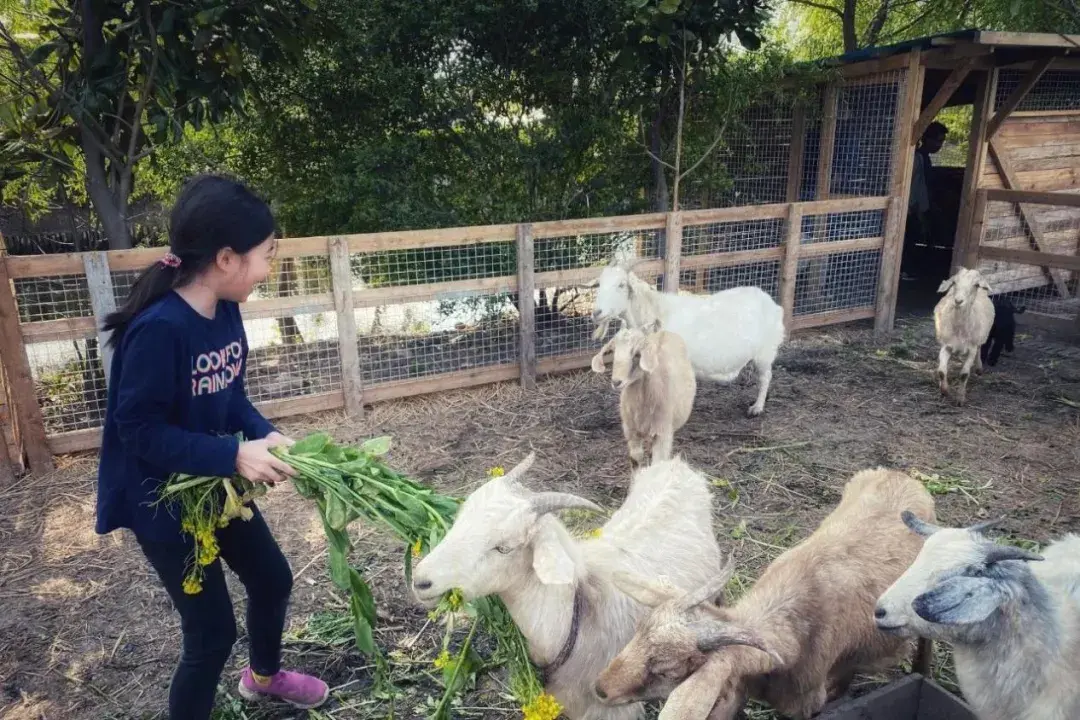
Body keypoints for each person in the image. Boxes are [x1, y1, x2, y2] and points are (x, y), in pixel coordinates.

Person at [95, 174, 330, 718]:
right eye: (266, 256)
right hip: (162, 498)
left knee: (273, 579)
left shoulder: (225, 311)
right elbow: (138, 430)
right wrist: (233, 455)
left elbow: (229, 395)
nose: (269, 270)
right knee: (211, 635)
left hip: (214, 483)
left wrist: (263, 434)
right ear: (227, 258)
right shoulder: (161, 329)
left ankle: (264, 678)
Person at [903, 121, 947, 280]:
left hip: (922, 205)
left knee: (918, 236)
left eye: (941, 141)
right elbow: (914, 183)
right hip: (913, 206)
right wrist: (914, 205)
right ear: (926, 139)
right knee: (910, 236)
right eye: (937, 140)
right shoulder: (916, 158)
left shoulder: (924, 158)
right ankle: (905, 270)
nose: (939, 145)